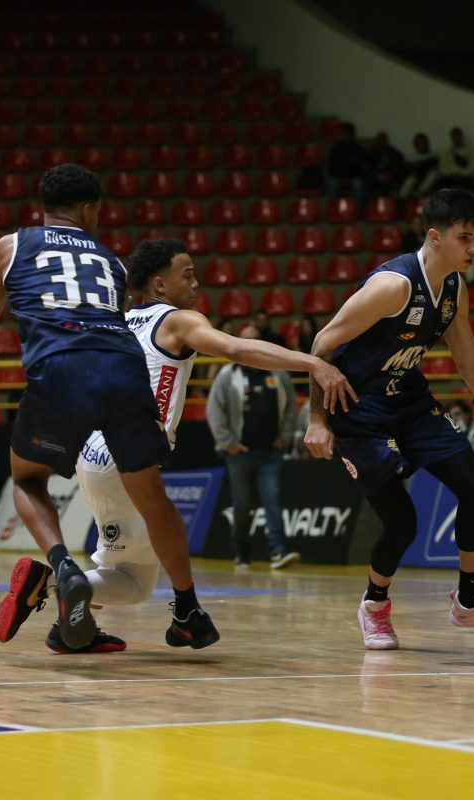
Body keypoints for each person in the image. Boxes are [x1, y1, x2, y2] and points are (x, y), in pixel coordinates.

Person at [44, 238, 354, 653]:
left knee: (125, 570)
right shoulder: (178, 321)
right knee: (135, 582)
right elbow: (235, 348)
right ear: (159, 285)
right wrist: (311, 361)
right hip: (127, 456)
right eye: (187, 276)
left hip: (92, 452)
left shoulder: (121, 321)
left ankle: (68, 626)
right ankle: (51, 582)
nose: (196, 284)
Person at [0, 164, 221, 654]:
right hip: (123, 375)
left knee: (27, 480)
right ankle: (186, 608)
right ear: (89, 210)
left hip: (63, 376)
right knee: (154, 501)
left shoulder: (13, 245)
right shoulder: (113, 263)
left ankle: (62, 570)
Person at [304, 188, 474, 650]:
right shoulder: (393, 287)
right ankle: (374, 605)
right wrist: (317, 419)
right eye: (464, 238)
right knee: (403, 523)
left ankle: (470, 602)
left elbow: (471, 365)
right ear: (435, 237)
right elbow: (322, 344)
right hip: (357, 411)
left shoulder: (454, 287)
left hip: (409, 401)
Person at [208, 323, 302, 571]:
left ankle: (278, 552)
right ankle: (242, 553)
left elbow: (290, 407)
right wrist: (228, 443)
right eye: (245, 339)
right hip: (240, 454)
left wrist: (285, 436)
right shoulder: (228, 374)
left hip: (271, 452)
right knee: (242, 504)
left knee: (273, 500)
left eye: (254, 338)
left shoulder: (278, 373)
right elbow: (214, 411)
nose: (249, 343)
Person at [325, 122, 367, 209]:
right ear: (342, 134)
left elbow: (362, 167)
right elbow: (331, 166)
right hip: (338, 176)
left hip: (354, 177)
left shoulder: (359, 149)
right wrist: (341, 177)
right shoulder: (336, 149)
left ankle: (357, 210)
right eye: (346, 132)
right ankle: (332, 209)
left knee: (359, 184)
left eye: (350, 132)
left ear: (353, 134)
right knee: (332, 183)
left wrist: (351, 177)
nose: (348, 135)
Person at [436, 127, 474, 192]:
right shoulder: (447, 153)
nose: (456, 139)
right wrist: (452, 174)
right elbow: (443, 167)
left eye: (457, 136)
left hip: (465, 177)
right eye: (454, 137)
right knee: (440, 182)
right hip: (450, 177)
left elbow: (473, 167)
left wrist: (461, 174)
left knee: (470, 183)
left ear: (461, 137)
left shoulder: (470, 151)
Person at [397, 133, 439, 199]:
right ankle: (401, 198)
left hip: (429, 176)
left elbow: (434, 167)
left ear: (427, 143)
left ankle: (420, 192)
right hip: (416, 177)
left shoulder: (434, 154)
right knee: (411, 178)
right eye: (418, 143)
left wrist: (421, 166)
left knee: (434, 173)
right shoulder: (411, 157)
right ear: (415, 145)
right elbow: (408, 170)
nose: (421, 145)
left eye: (422, 143)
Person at [364, 131, 404, 200]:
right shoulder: (371, 152)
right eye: (379, 140)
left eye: (383, 139)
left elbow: (399, 165)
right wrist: (375, 174)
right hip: (374, 176)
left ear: (387, 141)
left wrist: (390, 173)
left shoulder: (393, 152)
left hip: (390, 176)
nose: (381, 141)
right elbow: (367, 166)